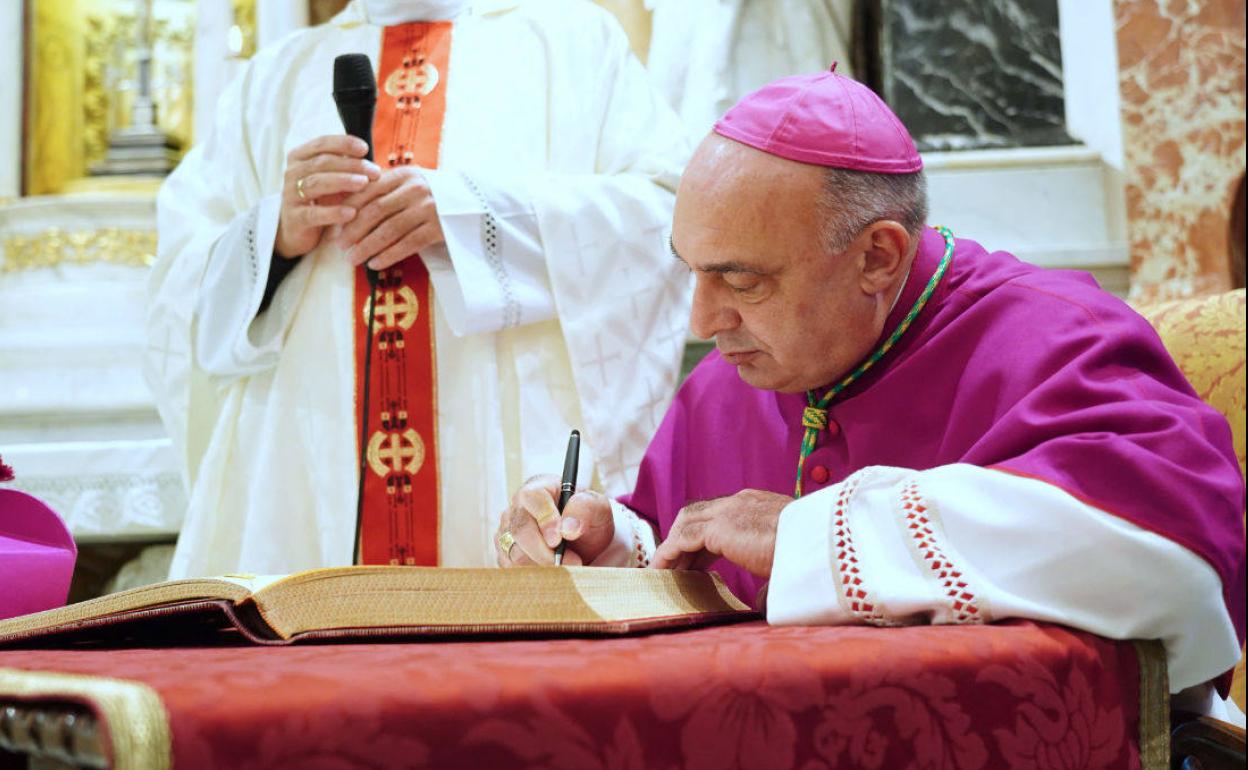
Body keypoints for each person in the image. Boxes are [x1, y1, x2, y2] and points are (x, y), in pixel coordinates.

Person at [496, 68, 1246, 713]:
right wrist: (610, 549)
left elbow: (1167, 561)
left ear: (879, 258)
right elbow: (678, 548)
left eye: (743, 279)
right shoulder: (732, 382)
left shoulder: (1058, 339)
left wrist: (814, 532)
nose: (704, 319)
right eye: (692, 269)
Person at [146, 0, 692, 578]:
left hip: (509, 468)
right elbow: (177, 296)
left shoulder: (572, 43)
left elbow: (669, 221)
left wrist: (475, 215)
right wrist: (274, 235)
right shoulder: (275, 75)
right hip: (307, 478)